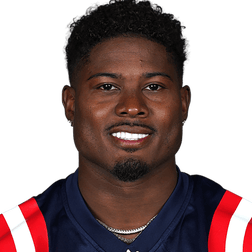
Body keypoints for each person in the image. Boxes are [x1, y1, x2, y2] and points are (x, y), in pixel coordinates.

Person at [0, 0, 251, 251]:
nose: (132, 106)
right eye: (107, 87)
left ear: (184, 103)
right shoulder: (14, 242)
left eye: (154, 87)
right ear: (70, 104)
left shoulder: (241, 236)